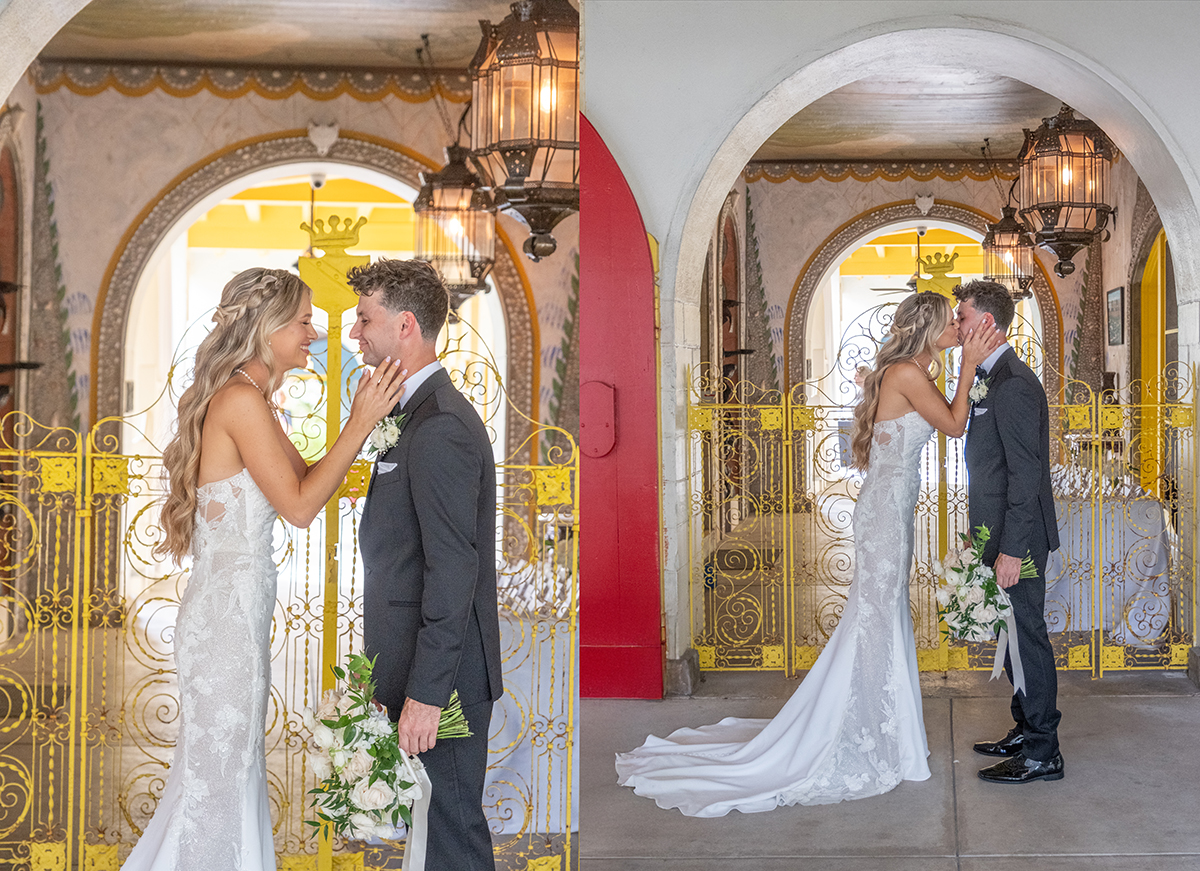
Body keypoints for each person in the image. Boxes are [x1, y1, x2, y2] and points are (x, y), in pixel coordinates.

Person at [615, 291, 1003, 817]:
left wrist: (964, 365)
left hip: (891, 511)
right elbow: (954, 425)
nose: (961, 327)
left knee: (881, 619)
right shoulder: (909, 374)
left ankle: (882, 727)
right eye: (952, 322)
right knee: (876, 620)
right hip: (885, 516)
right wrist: (971, 367)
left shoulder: (915, 369)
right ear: (930, 326)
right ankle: (867, 732)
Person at [126, 267, 406, 870]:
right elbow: (302, 509)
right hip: (224, 627)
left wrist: (364, 434)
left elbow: (306, 482)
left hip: (236, 621)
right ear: (267, 327)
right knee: (219, 778)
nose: (315, 334)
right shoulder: (240, 401)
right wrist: (358, 423)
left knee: (231, 770)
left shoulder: (255, 400)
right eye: (305, 322)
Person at [349, 259, 503, 871]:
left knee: (453, 836)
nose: (356, 334)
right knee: (433, 836)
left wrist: (427, 695)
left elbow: (452, 569)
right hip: (416, 667)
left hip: (444, 677)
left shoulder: (440, 426)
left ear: (405, 325)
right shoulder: (410, 413)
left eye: (365, 319)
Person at [954, 279, 1063, 784]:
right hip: (997, 531)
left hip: (1019, 538)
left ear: (988, 325)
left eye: (962, 318)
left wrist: (1014, 550)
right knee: (1012, 635)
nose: (956, 326)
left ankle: (1044, 752)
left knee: (1028, 638)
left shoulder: (1014, 383)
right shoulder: (989, 378)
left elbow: (1026, 472)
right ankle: (1024, 728)